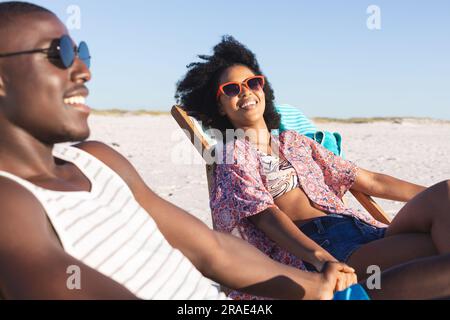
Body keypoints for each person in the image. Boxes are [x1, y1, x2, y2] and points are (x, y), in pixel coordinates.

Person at [0, 1, 361, 301]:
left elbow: (210, 250)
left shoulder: (99, 161)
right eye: (59, 54)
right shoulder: (10, 203)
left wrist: (316, 286)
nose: (83, 71)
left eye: (82, 53)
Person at [175, 35, 450, 299]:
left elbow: (370, 181)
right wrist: (322, 260)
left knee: (445, 194)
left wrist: (435, 200)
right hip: (326, 248)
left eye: (252, 83)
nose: (245, 92)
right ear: (221, 106)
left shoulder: (295, 142)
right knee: (438, 257)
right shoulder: (232, 153)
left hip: (364, 230)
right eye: (232, 89)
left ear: (263, 88)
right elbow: (265, 216)